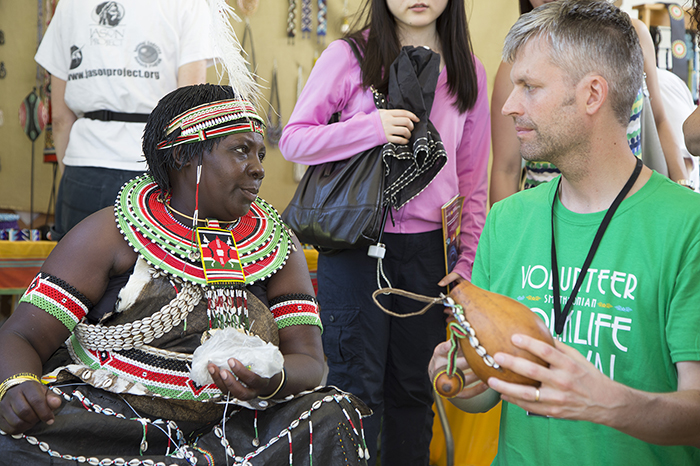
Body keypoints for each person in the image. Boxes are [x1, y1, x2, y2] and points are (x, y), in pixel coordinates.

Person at [0, 84, 370, 465]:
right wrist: (18, 386)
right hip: (117, 423)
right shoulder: (108, 233)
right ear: (183, 155)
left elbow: (308, 359)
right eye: (240, 150)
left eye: (260, 153)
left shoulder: (279, 244)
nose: (259, 167)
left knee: (333, 413)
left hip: (238, 430)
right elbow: (21, 335)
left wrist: (271, 380)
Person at [429, 1, 700, 464]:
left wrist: (607, 402)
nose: (511, 106)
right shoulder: (506, 221)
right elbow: (488, 395)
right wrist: (462, 378)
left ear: (593, 94)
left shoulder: (686, 226)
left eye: (530, 88)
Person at [278, 0, 490, 464]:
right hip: (356, 246)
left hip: (431, 257)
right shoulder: (350, 55)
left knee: (415, 393)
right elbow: (294, 139)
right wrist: (371, 127)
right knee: (353, 389)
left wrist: (467, 264)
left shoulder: (468, 70)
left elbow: (473, 185)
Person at [35, 0, 212, 241]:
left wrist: (74, 168)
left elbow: (59, 118)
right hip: (155, 170)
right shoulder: (188, 4)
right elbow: (190, 110)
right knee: (151, 275)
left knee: (75, 273)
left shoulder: (70, 4)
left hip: (84, 166)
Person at [489, 0, 691, 206]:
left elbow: (659, 119)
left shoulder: (631, 36)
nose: (511, 107)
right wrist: (510, 229)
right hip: (545, 216)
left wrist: (683, 186)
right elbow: (505, 169)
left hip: (629, 203)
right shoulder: (516, 60)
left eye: (531, 86)